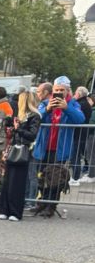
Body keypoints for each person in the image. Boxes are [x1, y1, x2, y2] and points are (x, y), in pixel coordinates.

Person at [31, 75, 85, 217]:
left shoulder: (73, 104)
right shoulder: (46, 102)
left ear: (67, 90)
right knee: (43, 176)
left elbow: (80, 119)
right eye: (57, 90)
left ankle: (51, 205)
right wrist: (48, 109)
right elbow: (35, 118)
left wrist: (67, 108)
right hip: (44, 147)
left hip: (60, 149)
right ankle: (42, 202)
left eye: (62, 90)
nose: (59, 92)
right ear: (53, 90)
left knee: (56, 178)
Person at [0, 91, 40, 221]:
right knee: (8, 181)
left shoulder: (34, 116)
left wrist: (18, 129)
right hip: (14, 148)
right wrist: (9, 123)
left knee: (18, 182)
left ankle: (15, 211)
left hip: (23, 149)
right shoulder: (19, 115)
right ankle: (4, 209)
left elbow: (32, 135)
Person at [25, 82, 53, 209]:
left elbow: (38, 115)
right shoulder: (44, 105)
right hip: (38, 144)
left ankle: (30, 200)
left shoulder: (45, 105)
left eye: (39, 91)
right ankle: (29, 199)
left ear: (46, 92)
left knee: (32, 174)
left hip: (37, 144)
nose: (37, 94)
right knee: (31, 173)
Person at [71, 86, 92, 184]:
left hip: (78, 133)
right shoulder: (86, 103)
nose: (74, 95)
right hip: (83, 133)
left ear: (79, 94)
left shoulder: (80, 104)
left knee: (75, 156)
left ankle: (75, 177)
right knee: (83, 154)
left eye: (75, 93)